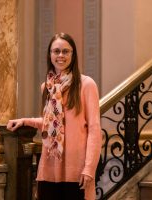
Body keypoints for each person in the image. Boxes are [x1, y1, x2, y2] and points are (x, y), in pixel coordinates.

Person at [7, 32, 102, 200]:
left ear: (73, 55)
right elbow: (51, 122)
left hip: (76, 168)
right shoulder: (47, 86)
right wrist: (25, 121)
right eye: (56, 51)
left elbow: (94, 129)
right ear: (50, 55)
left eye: (66, 51)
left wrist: (89, 168)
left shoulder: (87, 85)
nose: (60, 55)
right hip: (50, 165)